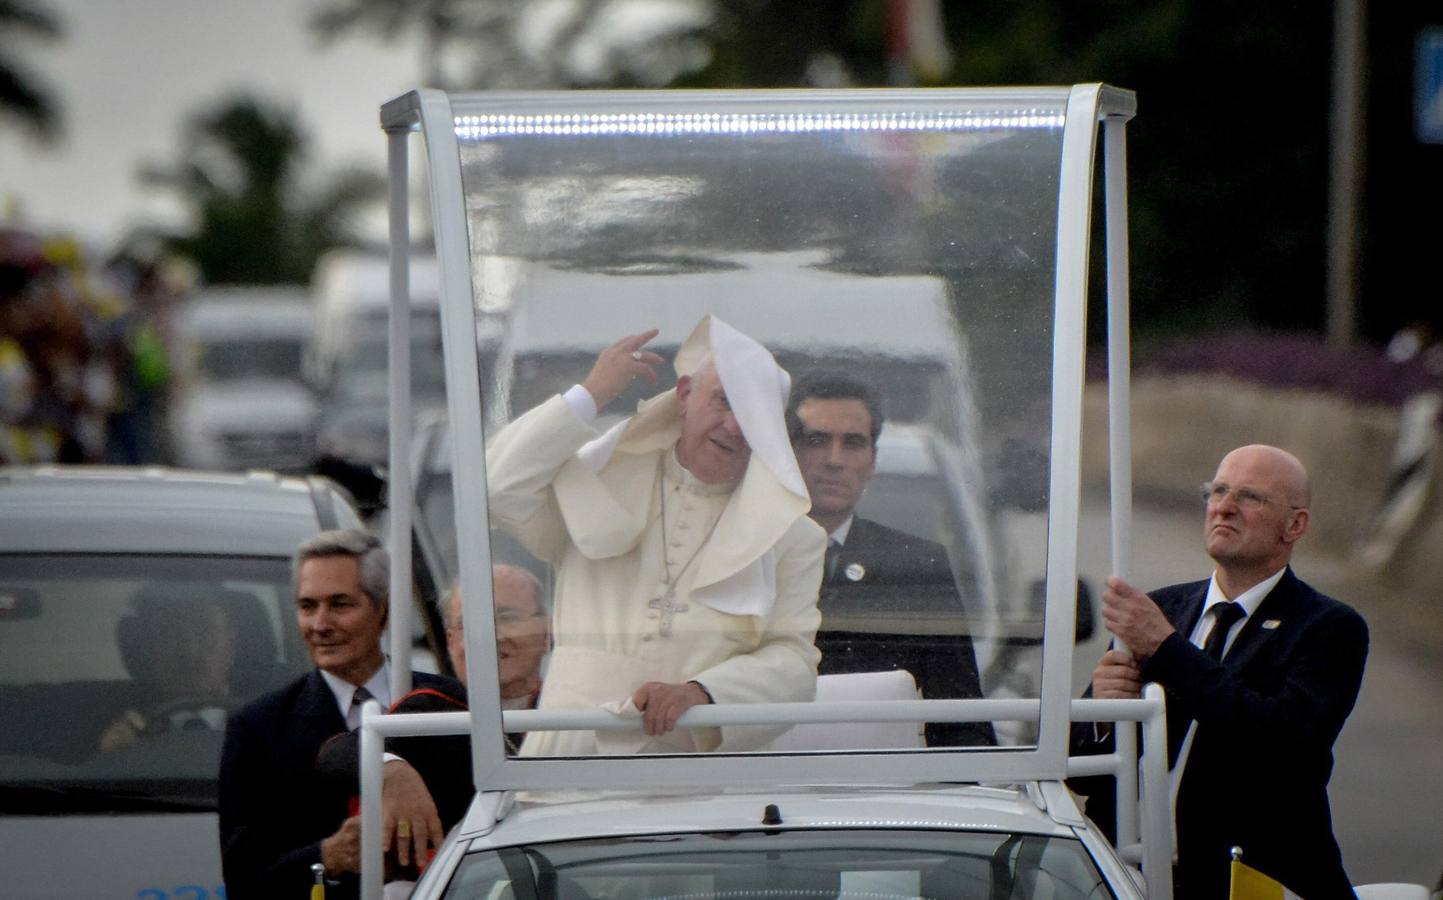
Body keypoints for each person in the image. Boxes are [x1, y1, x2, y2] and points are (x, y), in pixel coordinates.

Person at [486, 314, 825, 755]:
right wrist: (591, 394)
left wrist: (703, 692)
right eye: (723, 400)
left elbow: (794, 664)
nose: (734, 426)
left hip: (679, 761)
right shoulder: (598, 479)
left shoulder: (791, 536)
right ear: (684, 396)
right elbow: (497, 488)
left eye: (752, 413)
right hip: (567, 748)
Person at [1072, 444, 1368, 900]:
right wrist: (1102, 714)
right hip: (1128, 876)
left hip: (1249, 882)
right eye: (1218, 491)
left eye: (1250, 497)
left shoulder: (1329, 627)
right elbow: (1079, 773)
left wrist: (1168, 651)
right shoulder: (1162, 609)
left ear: (1295, 525)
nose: (1224, 507)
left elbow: (1284, 744)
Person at [218, 529, 462, 900]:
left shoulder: (446, 703)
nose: (320, 625)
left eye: (340, 604)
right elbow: (243, 879)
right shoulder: (259, 728)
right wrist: (328, 857)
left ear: (383, 610)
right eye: (307, 607)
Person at [786, 369, 994, 747]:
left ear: (873, 460)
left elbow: (961, 724)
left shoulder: (918, 567)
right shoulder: (741, 556)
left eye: (853, 443)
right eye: (816, 440)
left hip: (886, 780)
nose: (834, 459)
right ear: (786, 451)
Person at [99, 584, 240, 753]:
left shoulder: (266, 725)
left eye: (205, 631)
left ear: (231, 645)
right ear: (151, 648)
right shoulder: (113, 729)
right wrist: (115, 758)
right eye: (171, 632)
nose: (189, 650)